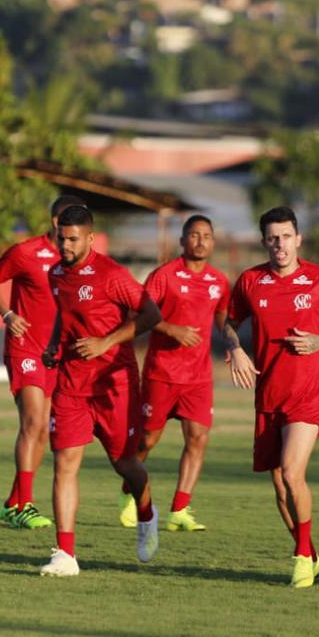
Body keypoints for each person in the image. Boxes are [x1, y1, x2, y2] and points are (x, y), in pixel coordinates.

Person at [225, 206, 319, 588]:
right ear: (264, 241)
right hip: (268, 395)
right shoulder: (251, 281)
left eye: (285, 236)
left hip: (308, 394)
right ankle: (312, 554)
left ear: (298, 239)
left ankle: (301, 557)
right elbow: (229, 323)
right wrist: (235, 348)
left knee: (291, 472)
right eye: (272, 237)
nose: (279, 244)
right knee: (280, 489)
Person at [39, 204, 163, 576]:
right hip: (72, 382)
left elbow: (150, 315)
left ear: (90, 238)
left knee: (125, 465)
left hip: (115, 383)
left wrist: (105, 342)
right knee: (64, 463)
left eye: (73, 239)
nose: (65, 245)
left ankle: (146, 512)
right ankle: (66, 554)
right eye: (62, 238)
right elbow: (65, 312)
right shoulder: (56, 274)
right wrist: (53, 344)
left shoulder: (112, 274)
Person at [0, 194, 86, 530]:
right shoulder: (26, 252)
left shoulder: (78, 261)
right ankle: (23, 505)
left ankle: (14, 501)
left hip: (56, 356)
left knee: (43, 430)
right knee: (33, 422)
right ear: (54, 221)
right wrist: (8, 314)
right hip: (24, 348)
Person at [120, 214, 230, 532]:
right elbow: (140, 313)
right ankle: (129, 491)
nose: (200, 240)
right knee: (147, 439)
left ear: (212, 242)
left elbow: (222, 314)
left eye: (206, 235)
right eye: (194, 235)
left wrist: (232, 342)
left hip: (198, 377)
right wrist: (172, 329)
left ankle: (179, 509)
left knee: (198, 439)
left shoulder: (219, 281)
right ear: (182, 241)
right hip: (162, 372)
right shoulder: (164, 275)